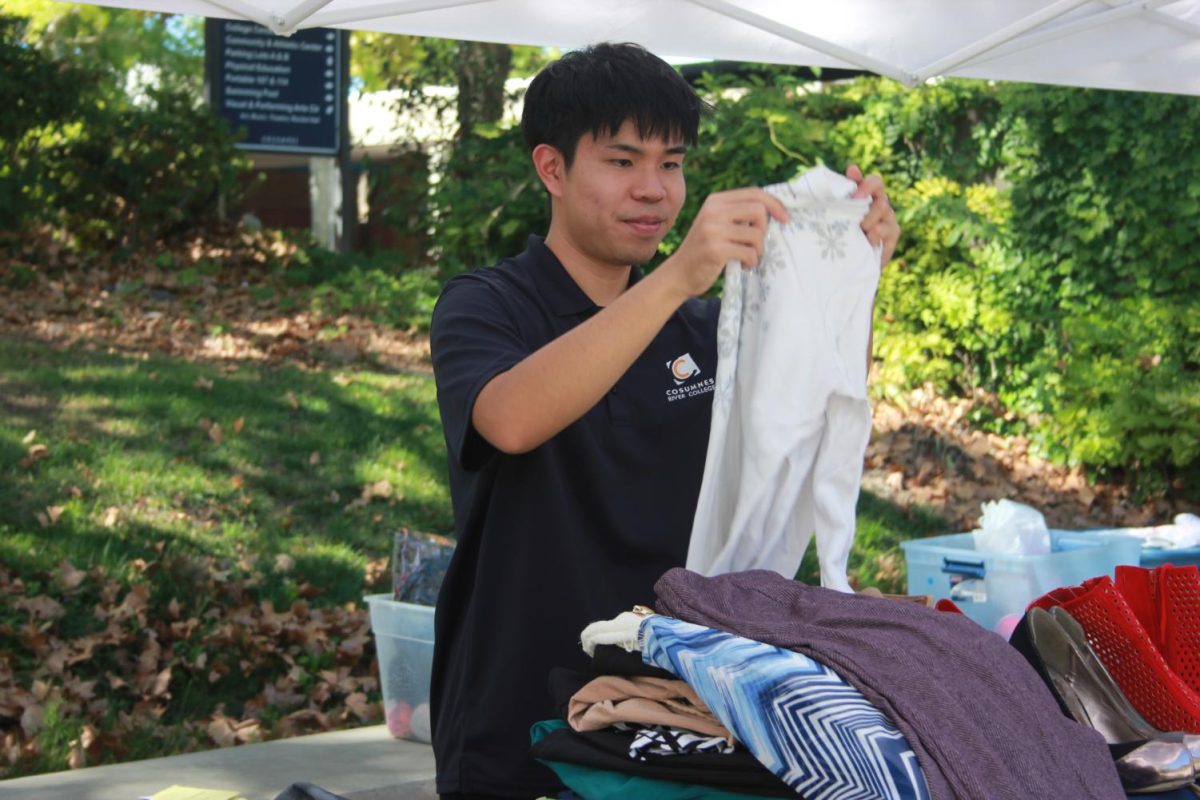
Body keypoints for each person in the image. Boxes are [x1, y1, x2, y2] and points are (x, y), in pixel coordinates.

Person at [428, 42, 899, 799]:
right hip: (518, 721)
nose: (653, 189)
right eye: (622, 162)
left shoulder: (703, 329)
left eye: (672, 163)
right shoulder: (487, 305)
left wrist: (858, 271)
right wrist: (679, 275)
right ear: (552, 168)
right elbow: (510, 420)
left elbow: (809, 404)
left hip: (677, 713)